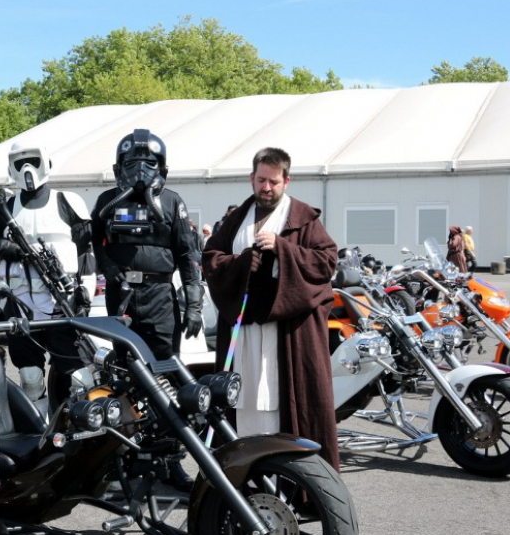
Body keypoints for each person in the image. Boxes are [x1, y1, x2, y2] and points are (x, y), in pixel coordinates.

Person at [202, 147, 340, 470]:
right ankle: (245, 480)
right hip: (245, 336)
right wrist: (241, 263)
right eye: (261, 180)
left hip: (289, 338)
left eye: (274, 182)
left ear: (286, 181)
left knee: (290, 407)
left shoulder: (303, 219)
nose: (266, 188)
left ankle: (297, 484)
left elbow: (326, 262)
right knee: (242, 403)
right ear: (252, 178)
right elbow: (211, 259)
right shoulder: (236, 219)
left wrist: (283, 248)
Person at [90, 129, 203, 490]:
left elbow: (188, 254)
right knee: (124, 378)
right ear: (118, 167)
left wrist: (194, 303)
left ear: (162, 167)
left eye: (149, 162)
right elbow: (94, 240)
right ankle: (126, 456)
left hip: (159, 298)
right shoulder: (108, 201)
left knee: (165, 378)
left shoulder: (171, 202)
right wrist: (109, 269)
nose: (140, 169)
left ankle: (170, 458)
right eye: (132, 162)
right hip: (121, 298)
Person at [0, 141, 96, 403]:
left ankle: (80, 424)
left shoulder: (67, 201)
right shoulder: (6, 207)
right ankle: (38, 425)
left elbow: (85, 253)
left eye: (32, 161)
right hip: (19, 303)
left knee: (80, 377)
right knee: (30, 377)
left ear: (46, 162)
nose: (27, 168)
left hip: (62, 301)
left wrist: (85, 295)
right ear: (11, 167)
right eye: (20, 162)